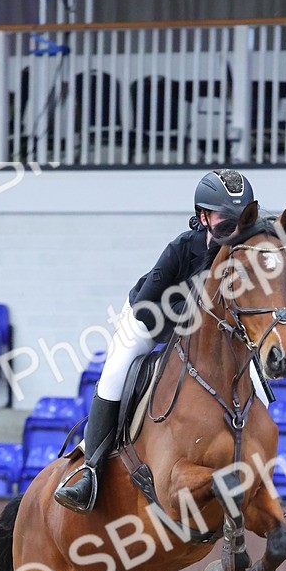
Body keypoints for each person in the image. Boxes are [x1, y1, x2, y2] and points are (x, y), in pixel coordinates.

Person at [54, 168, 257, 513]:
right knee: (116, 370)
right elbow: (148, 309)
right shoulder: (181, 248)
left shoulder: (242, 253)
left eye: (242, 221)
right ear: (204, 217)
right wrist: (197, 311)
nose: (235, 230)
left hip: (202, 339)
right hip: (149, 322)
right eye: (227, 220)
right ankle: (90, 469)